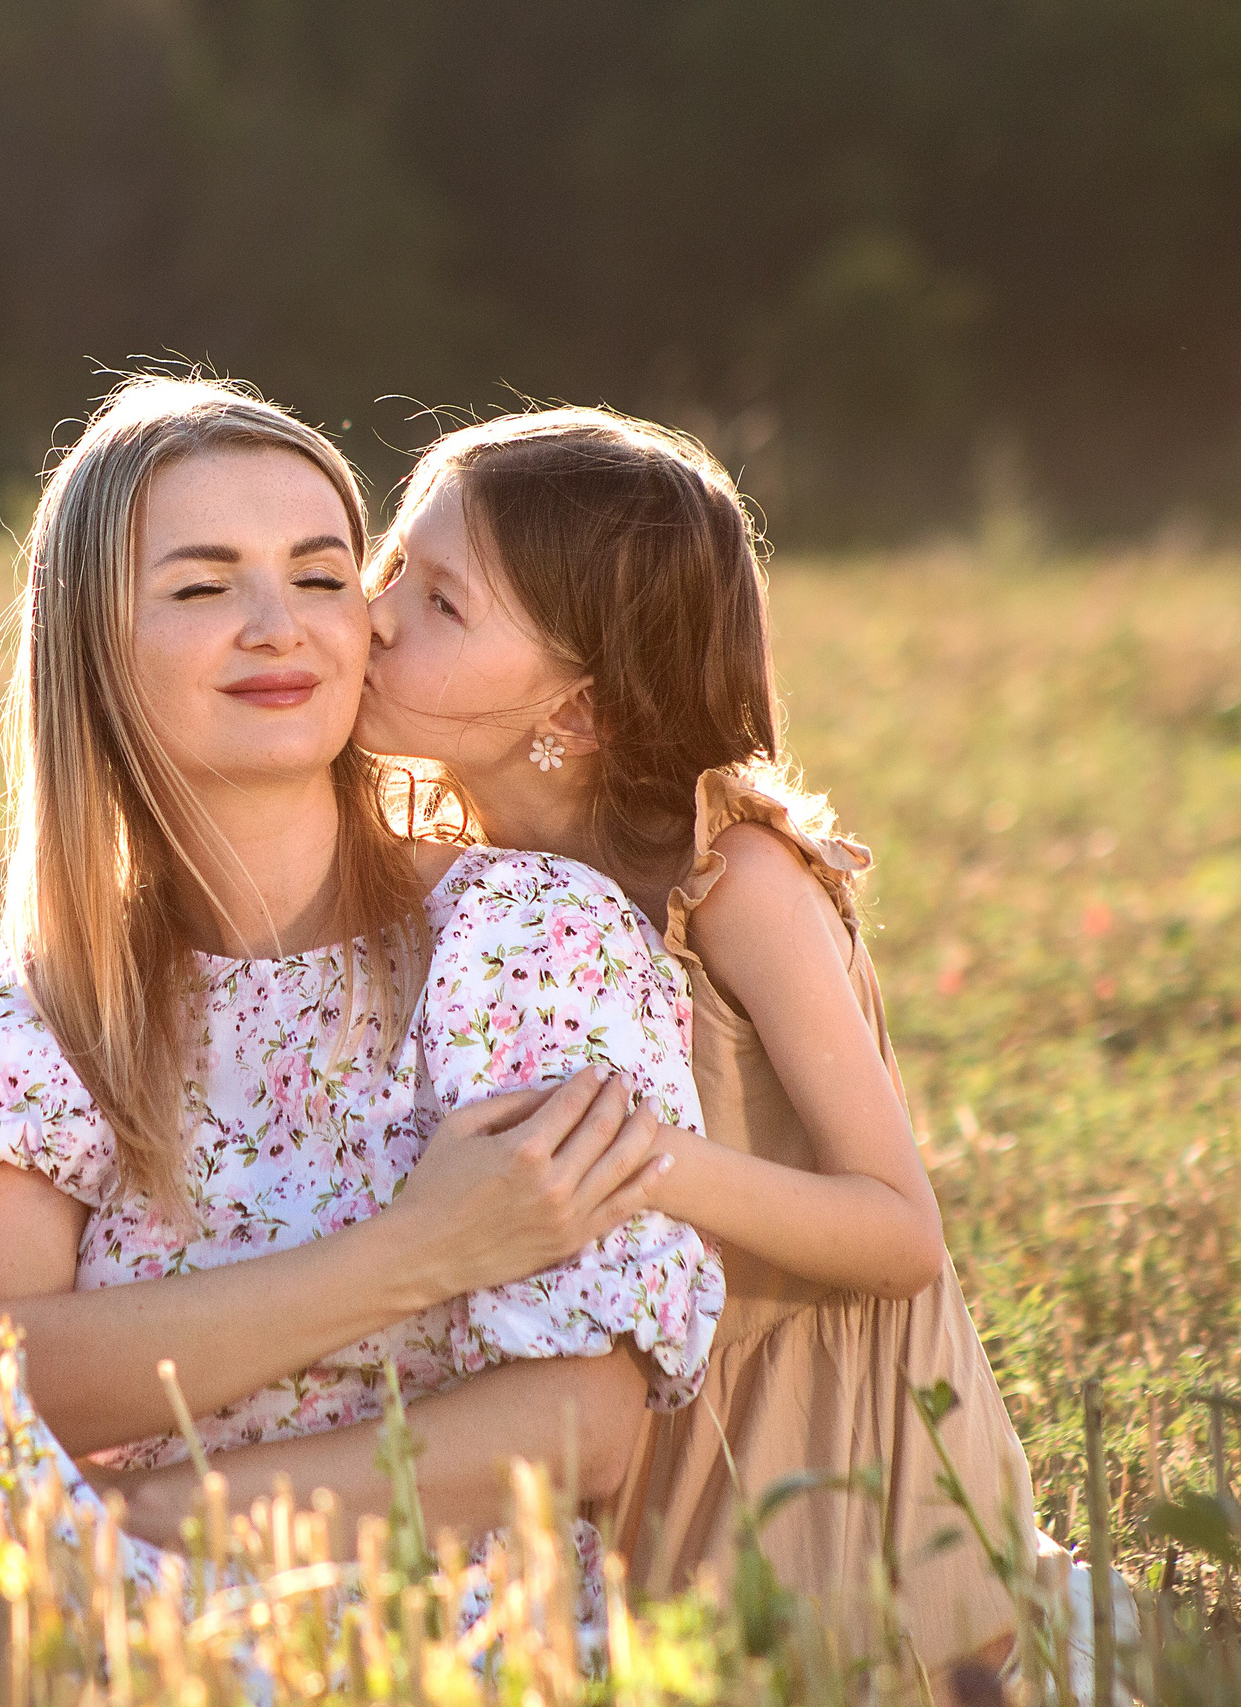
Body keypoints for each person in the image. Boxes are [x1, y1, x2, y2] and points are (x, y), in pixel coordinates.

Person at [0, 377, 723, 1651]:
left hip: (402, 1629)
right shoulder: (56, 999)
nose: (279, 626)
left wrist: (119, 1519)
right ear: (95, 643)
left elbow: (578, 1425)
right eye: (205, 588)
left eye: (323, 578)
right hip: (83, 1585)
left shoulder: (521, 931)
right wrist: (405, 1261)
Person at [346, 406, 1038, 1664]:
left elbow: (898, 1231)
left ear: (584, 708)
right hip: (633, 1441)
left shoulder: (732, 882)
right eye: (392, 564)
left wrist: (637, 1162)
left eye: (441, 603)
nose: (376, 612)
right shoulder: (452, 864)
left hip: (830, 1484)